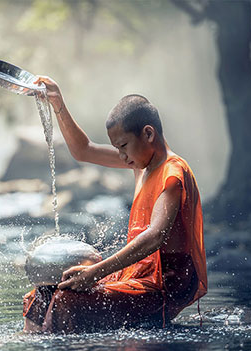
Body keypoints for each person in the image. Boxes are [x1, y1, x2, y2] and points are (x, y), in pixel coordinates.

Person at [23, 76, 208, 333]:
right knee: (43, 292)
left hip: (162, 286)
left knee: (66, 300)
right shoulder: (140, 162)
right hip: (135, 274)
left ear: (148, 133)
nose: (121, 157)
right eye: (116, 148)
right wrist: (58, 103)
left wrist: (96, 272)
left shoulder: (172, 172)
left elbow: (155, 236)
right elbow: (84, 150)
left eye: (123, 146)